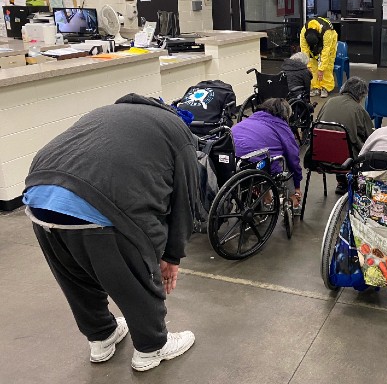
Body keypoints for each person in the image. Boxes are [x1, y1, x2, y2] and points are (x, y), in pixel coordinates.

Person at [22, 94, 198, 372]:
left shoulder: (106, 112)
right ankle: (152, 348)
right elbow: (185, 202)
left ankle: (101, 337)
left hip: (40, 197)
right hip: (99, 205)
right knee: (136, 276)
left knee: (75, 277)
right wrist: (171, 257)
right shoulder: (178, 131)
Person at [232, 98, 303, 209]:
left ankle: (267, 198)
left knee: (264, 158)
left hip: (232, 161)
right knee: (282, 164)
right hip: (255, 164)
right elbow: (293, 158)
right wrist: (297, 185)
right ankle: (293, 200)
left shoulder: (250, 119)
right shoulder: (281, 126)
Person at [315, 76, 375, 194]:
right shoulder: (358, 110)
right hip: (344, 161)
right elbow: (370, 136)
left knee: (337, 140)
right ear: (360, 95)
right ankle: (357, 183)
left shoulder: (328, 102)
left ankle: (341, 183)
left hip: (319, 157)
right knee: (360, 145)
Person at [300, 16, 338, 98]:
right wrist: (308, 65)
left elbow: (326, 52)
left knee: (327, 65)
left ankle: (325, 87)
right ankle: (315, 87)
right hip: (315, 44)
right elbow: (304, 49)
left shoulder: (327, 32)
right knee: (313, 64)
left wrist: (321, 69)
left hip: (330, 42)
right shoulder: (304, 31)